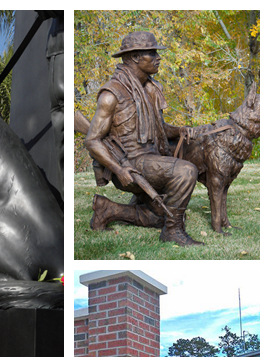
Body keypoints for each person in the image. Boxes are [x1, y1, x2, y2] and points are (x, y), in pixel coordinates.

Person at [84, 31, 202, 246]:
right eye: (152, 53)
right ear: (136, 57)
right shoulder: (112, 93)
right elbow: (92, 141)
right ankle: (173, 232)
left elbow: (156, 129)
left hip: (152, 158)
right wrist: (119, 170)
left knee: (160, 216)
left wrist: (180, 130)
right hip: (129, 164)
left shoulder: (151, 89)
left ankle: (107, 209)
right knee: (186, 170)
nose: (158, 58)